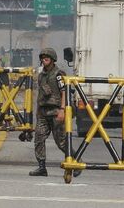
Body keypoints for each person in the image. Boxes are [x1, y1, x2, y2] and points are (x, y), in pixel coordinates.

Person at [29, 48, 80, 177]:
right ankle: (42, 167)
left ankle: (76, 162)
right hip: (43, 112)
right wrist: (38, 112)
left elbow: (64, 92)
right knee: (39, 139)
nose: (44, 59)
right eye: (43, 57)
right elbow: (40, 95)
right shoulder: (41, 76)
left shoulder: (58, 74)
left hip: (56, 111)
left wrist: (62, 110)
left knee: (62, 142)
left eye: (47, 58)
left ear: (52, 59)